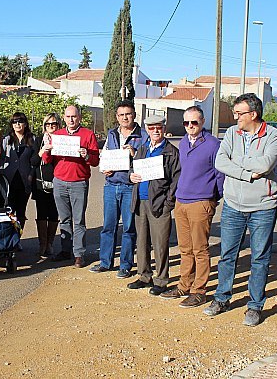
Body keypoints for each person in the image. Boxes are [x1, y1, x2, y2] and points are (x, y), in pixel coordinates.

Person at [203, 93, 277, 327]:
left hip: (262, 207)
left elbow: (265, 164)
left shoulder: (274, 136)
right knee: (227, 255)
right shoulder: (231, 133)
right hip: (233, 205)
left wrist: (236, 160)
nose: (235, 117)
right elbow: (220, 162)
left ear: (253, 114)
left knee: (260, 258)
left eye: (239, 113)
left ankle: (255, 306)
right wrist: (247, 174)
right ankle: (222, 298)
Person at [160, 106, 224, 307]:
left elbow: (220, 175)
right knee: (185, 248)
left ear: (202, 122)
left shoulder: (213, 145)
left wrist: (212, 198)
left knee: (200, 249)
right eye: (186, 122)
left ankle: (199, 291)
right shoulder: (183, 142)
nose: (190, 126)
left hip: (201, 202)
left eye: (194, 122)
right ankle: (184, 285)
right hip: (181, 201)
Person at [90, 100, 148, 278]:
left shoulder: (143, 135)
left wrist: (134, 154)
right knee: (108, 226)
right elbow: (105, 155)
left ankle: (125, 265)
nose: (125, 118)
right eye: (121, 115)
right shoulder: (112, 133)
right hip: (111, 185)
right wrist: (104, 168)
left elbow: (147, 162)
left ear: (134, 115)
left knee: (129, 228)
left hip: (130, 187)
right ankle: (105, 262)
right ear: (117, 117)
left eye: (128, 114)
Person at [127, 115, 180, 295]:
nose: (155, 131)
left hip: (159, 203)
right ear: (147, 130)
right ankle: (144, 276)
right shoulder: (142, 149)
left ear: (164, 128)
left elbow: (176, 180)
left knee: (160, 244)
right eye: (151, 128)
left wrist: (168, 203)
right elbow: (133, 169)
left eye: (159, 127)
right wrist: (131, 176)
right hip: (140, 202)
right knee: (142, 242)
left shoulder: (171, 152)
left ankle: (161, 280)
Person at [42, 105, 99, 268]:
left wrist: (86, 155)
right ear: (64, 118)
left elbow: (95, 161)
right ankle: (66, 250)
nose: (71, 119)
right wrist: (47, 150)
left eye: (74, 116)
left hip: (79, 182)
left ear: (79, 117)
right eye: (68, 117)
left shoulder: (88, 134)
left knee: (78, 220)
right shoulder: (57, 135)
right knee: (64, 219)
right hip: (59, 181)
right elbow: (46, 160)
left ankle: (79, 254)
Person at [30, 113, 62, 257]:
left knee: (54, 213)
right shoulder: (38, 140)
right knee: (42, 213)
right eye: (48, 124)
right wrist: (41, 151)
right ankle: (42, 244)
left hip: (58, 181)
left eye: (53, 124)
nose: (51, 126)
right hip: (40, 182)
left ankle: (50, 243)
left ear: (58, 124)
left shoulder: (63, 140)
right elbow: (33, 161)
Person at [0, 112, 35, 231]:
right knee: (8, 211)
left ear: (25, 124)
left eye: (20, 121)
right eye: (15, 122)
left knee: (21, 211)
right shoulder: (6, 139)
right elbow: (1, 159)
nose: (17, 124)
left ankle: (18, 236)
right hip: (9, 180)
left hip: (25, 180)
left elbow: (34, 160)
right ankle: (8, 236)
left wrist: (31, 175)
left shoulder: (32, 139)